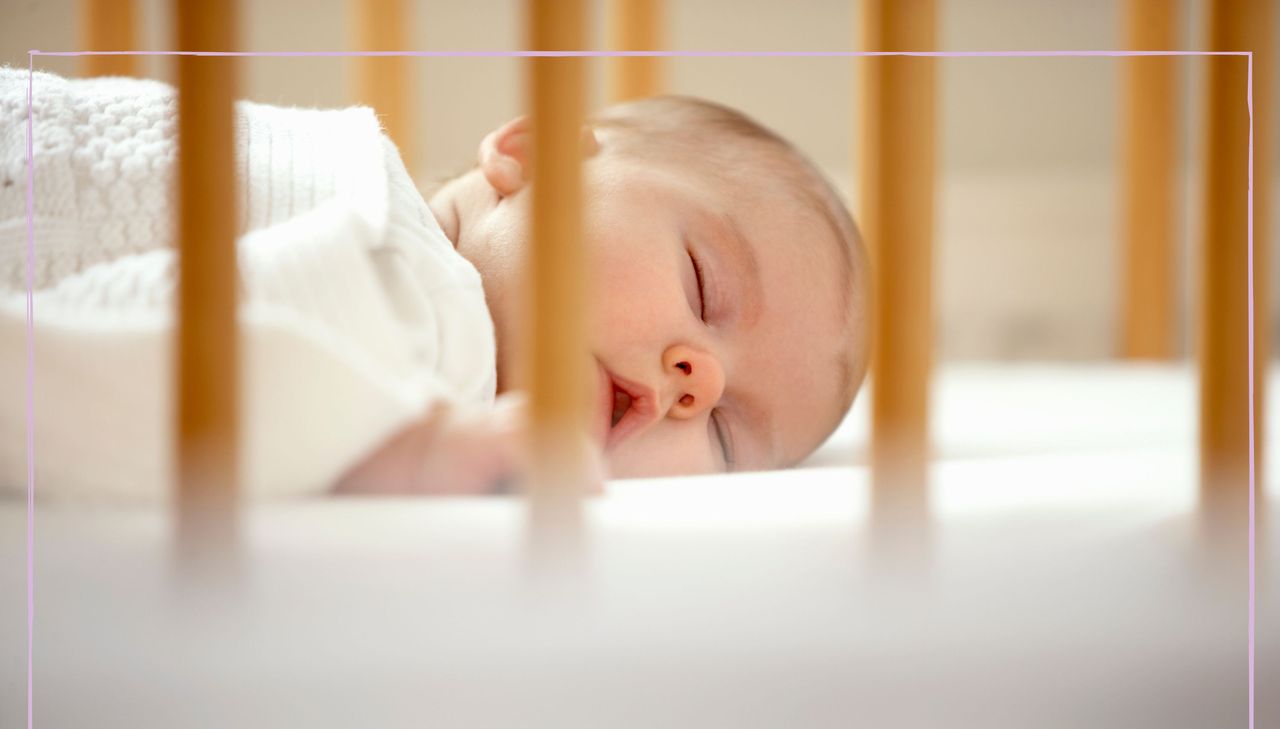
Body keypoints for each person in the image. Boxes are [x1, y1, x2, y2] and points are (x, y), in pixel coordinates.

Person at [0, 68, 867, 499]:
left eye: (726, 435)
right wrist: (398, 455)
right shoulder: (419, 300)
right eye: (703, 286)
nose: (698, 380)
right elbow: (120, 378)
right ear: (531, 157)